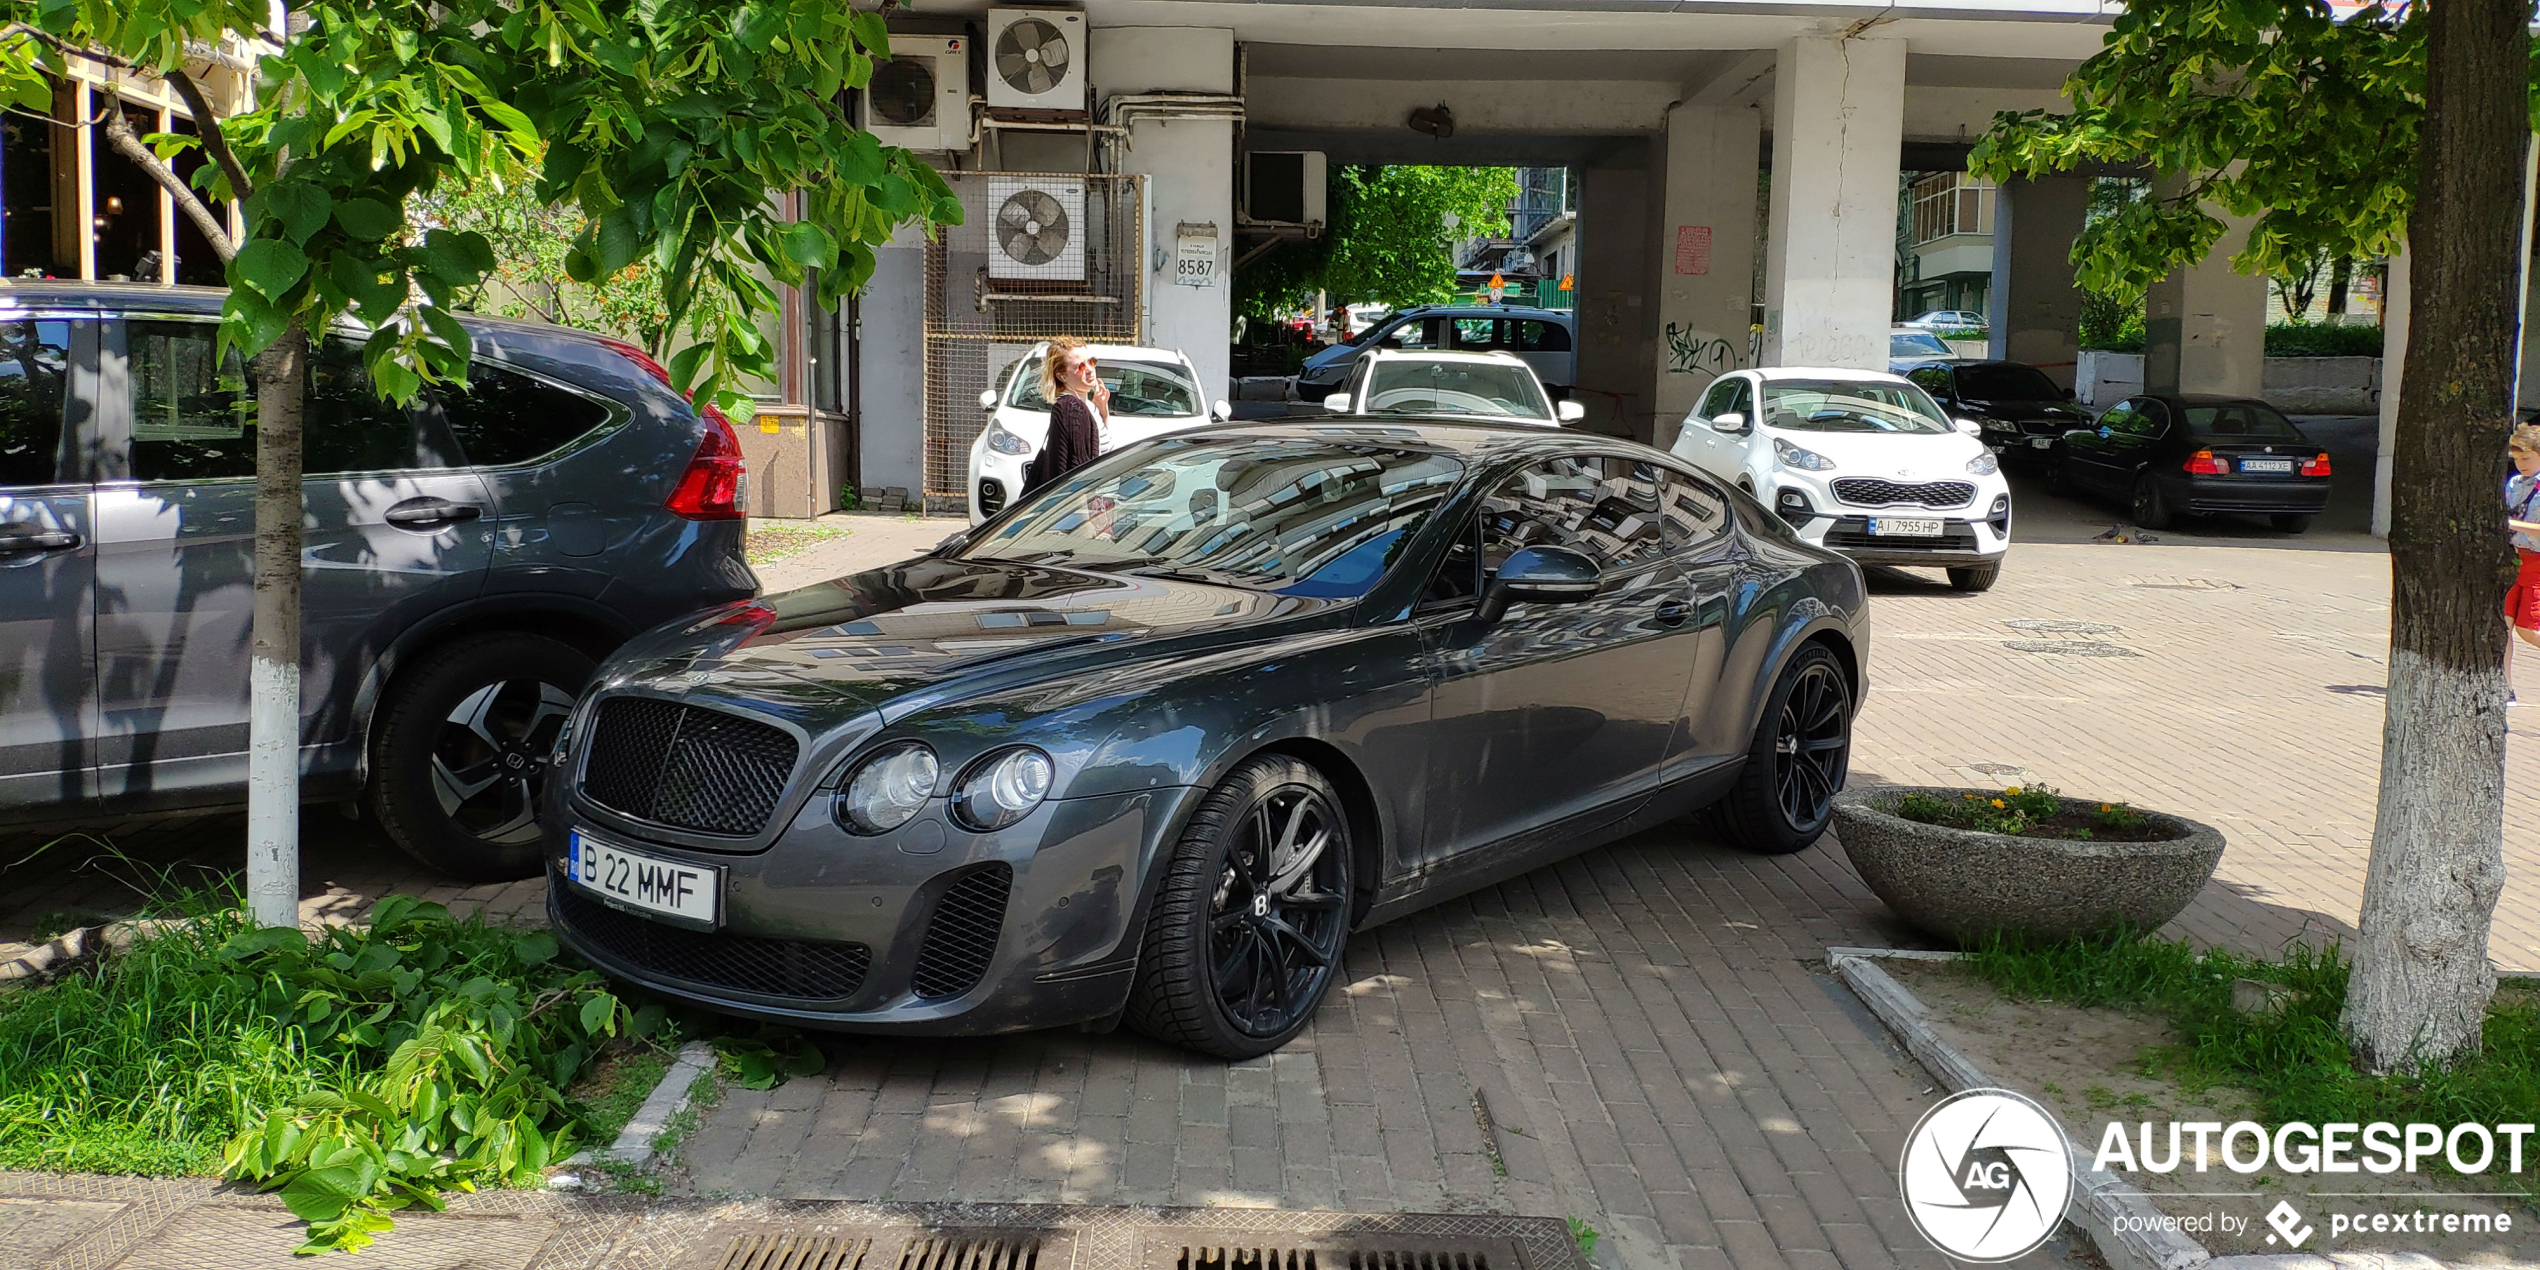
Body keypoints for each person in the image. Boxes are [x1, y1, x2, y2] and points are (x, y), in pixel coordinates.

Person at [1021, 336, 1107, 498]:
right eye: (1080, 366)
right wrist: (1085, 521)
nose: (1089, 369)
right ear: (1062, 376)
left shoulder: (1088, 407)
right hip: (1080, 511)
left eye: (1091, 361)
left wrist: (1103, 414)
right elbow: (1078, 475)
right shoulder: (1071, 409)